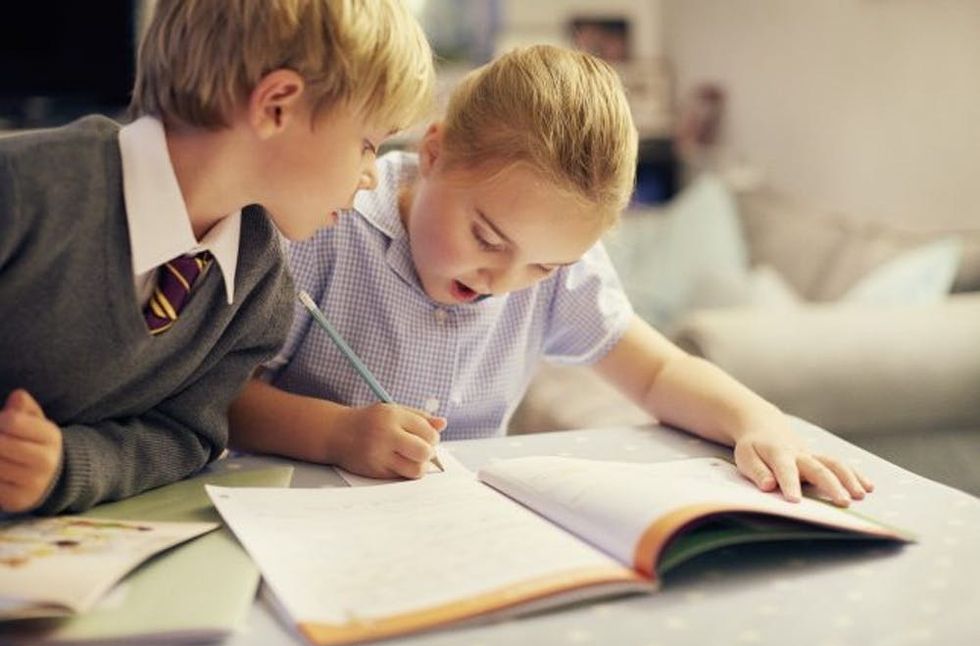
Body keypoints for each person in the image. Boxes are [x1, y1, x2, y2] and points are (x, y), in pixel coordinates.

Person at [229, 45, 872, 507]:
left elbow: (658, 372)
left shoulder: (557, 269)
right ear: (433, 153)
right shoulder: (325, 222)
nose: (504, 280)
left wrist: (756, 421)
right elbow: (218, 398)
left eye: (543, 264)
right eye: (486, 237)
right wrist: (336, 433)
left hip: (449, 521)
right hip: (295, 514)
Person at [0, 0, 435, 515]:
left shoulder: (258, 290)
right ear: (277, 105)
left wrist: (65, 467)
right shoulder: (26, 191)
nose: (370, 176)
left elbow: (185, 433)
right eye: (367, 144)